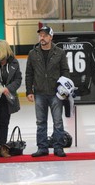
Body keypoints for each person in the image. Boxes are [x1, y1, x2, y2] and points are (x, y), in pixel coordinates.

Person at [25, 26, 70, 157]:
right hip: (39, 93)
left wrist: (65, 88)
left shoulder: (59, 52)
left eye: (45, 35)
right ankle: (42, 147)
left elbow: (65, 71)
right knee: (40, 122)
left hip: (56, 93)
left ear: (51, 37)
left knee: (58, 121)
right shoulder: (33, 53)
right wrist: (29, 91)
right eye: (40, 35)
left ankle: (58, 147)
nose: (42, 37)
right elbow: (29, 74)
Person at [0, 40, 22, 158]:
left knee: (4, 122)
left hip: (6, 98)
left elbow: (18, 79)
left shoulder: (13, 62)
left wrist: (9, 88)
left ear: (2, 50)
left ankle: (2, 147)